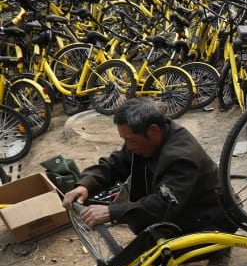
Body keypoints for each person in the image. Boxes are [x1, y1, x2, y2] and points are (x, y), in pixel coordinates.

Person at [62, 97, 237, 237]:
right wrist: (85, 185)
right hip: (183, 209)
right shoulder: (144, 139)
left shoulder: (181, 157)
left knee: (162, 257)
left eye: (130, 139)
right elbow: (115, 164)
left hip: (209, 220)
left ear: (154, 130)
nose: (128, 146)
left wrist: (112, 212)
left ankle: (218, 249)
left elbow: (163, 205)